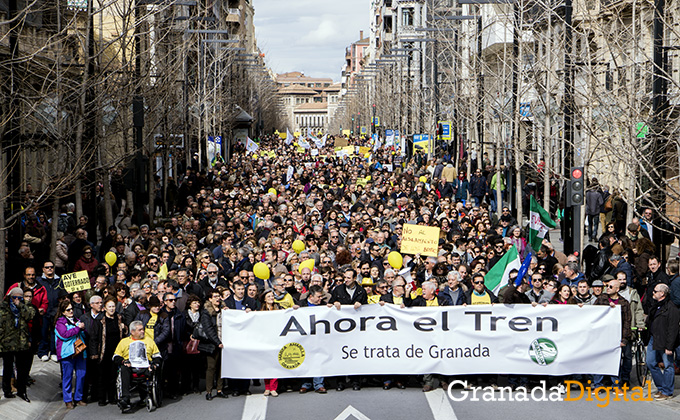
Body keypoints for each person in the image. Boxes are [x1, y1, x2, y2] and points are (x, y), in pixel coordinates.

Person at [592, 277, 632, 392]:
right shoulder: (601, 299)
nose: (607, 289)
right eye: (607, 286)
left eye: (610, 287)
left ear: (617, 289)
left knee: (615, 361)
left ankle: (616, 385)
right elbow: (592, 312)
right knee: (599, 360)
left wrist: (624, 339)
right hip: (602, 335)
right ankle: (598, 385)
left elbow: (627, 321)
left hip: (616, 336)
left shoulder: (624, 303)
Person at [113, 320, 163, 412]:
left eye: (142, 329)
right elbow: (115, 357)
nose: (142, 331)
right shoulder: (124, 342)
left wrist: (155, 364)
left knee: (152, 370)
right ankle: (125, 398)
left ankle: (146, 395)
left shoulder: (149, 341)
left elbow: (157, 355)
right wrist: (123, 361)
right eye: (139, 330)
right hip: (130, 367)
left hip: (145, 366)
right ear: (132, 332)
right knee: (124, 369)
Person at [0, 287, 35, 402]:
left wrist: (20, 305)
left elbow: (30, 315)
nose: (17, 300)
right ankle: (7, 390)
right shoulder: (4, 307)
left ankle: (22, 391)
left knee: (22, 369)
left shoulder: (26, 306)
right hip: (8, 342)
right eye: (14, 297)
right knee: (8, 367)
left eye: (19, 297)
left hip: (21, 342)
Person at [646, 283, 679, 400]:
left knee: (668, 365)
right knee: (650, 362)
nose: (653, 293)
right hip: (653, 338)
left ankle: (667, 391)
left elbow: (673, 329)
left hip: (665, 341)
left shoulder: (672, 308)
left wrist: (669, 347)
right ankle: (660, 387)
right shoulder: (656, 305)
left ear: (662, 294)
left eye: (655, 291)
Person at [55, 299, 87, 409]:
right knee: (67, 377)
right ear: (63, 312)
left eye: (72, 309)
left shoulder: (76, 320)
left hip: (79, 351)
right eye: (68, 310)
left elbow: (82, 333)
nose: (71, 311)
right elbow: (64, 335)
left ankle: (78, 398)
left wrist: (82, 329)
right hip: (67, 353)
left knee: (81, 374)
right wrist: (78, 328)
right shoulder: (60, 322)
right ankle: (68, 399)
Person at [97, 297, 126, 406]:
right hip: (104, 351)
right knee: (103, 376)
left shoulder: (119, 318)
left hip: (116, 351)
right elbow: (96, 337)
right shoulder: (101, 320)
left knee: (113, 375)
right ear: (105, 308)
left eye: (113, 306)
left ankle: (112, 397)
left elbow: (124, 333)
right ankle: (102, 398)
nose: (112, 309)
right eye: (109, 306)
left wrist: (124, 327)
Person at [200, 289, 227, 400]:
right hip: (212, 344)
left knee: (222, 367)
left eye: (219, 296)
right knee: (211, 367)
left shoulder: (224, 310)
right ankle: (209, 391)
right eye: (215, 296)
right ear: (210, 299)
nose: (218, 298)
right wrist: (217, 342)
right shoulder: (206, 312)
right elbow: (208, 329)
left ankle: (220, 389)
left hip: (224, 342)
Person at [259, 290, 281, 397]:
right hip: (264, 340)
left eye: (272, 296)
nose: (271, 298)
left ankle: (273, 387)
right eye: (269, 296)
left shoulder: (279, 308)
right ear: (264, 298)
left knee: (275, 364)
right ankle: (267, 387)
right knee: (266, 364)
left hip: (276, 340)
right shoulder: (260, 310)